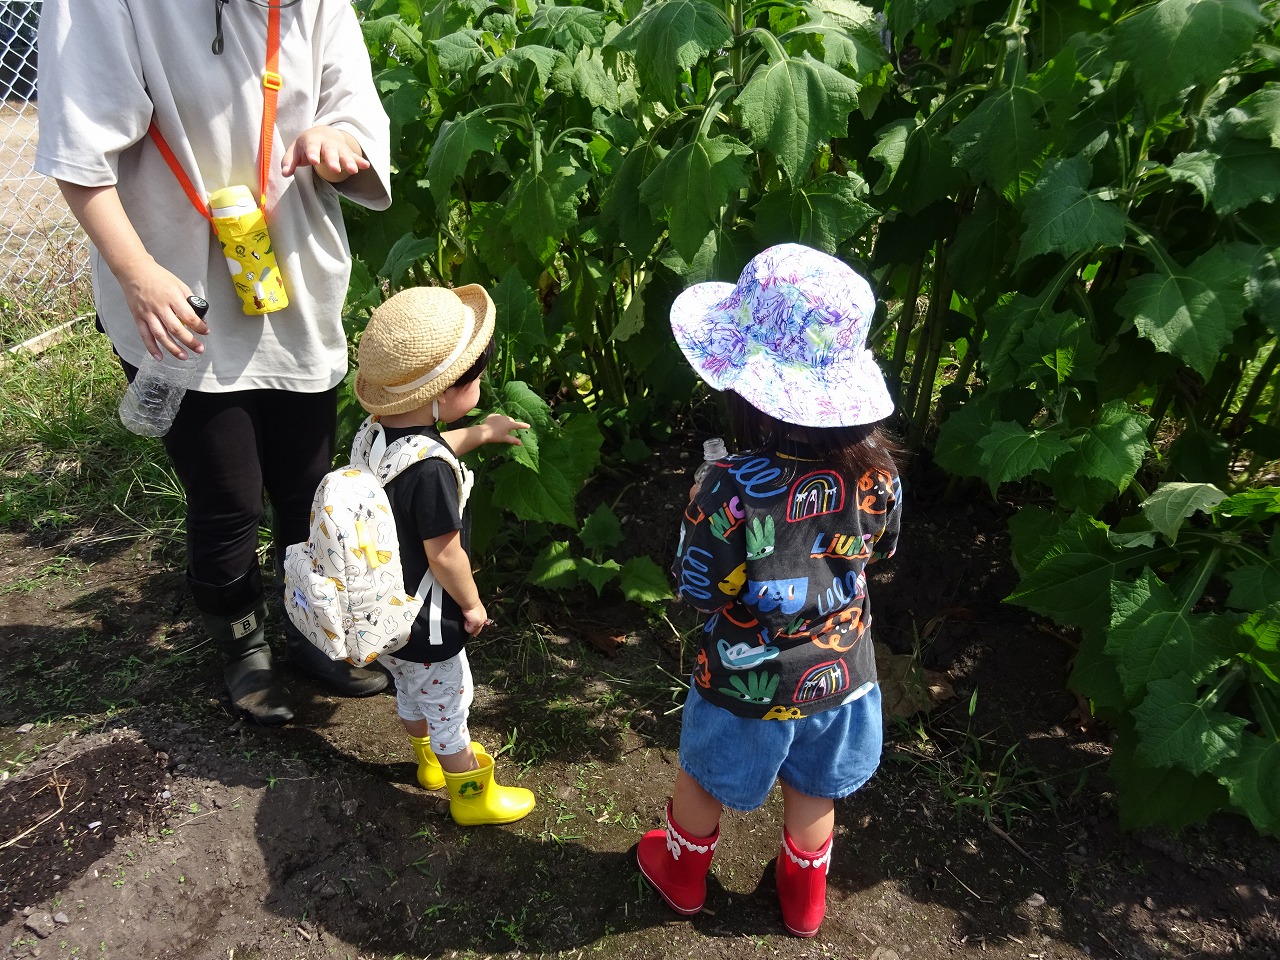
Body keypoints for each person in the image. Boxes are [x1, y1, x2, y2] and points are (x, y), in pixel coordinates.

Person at [34, 0, 394, 725]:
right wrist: (137, 274)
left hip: (292, 279)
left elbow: (352, 103)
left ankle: (314, 631)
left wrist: (339, 136)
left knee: (306, 487)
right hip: (175, 295)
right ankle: (242, 644)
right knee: (227, 494)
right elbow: (78, 149)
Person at [637, 243, 903, 937]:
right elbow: (881, 550)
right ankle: (804, 896)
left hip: (744, 676)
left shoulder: (731, 487)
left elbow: (700, 587)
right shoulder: (878, 474)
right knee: (816, 786)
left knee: (705, 775)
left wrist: (699, 507)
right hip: (841, 670)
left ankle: (682, 875)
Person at [354, 285, 537, 827]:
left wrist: (480, 432)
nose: (478, 384)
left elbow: (422, 446)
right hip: (428, 618)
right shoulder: (432, 474)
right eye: (473, 378)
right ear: (443, 391)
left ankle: (427, 762)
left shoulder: (373, 435)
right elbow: (446, 555)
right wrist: (473, 606)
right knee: (450, 707)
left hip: (383, 611)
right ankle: (471, 797)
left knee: (410, 691)